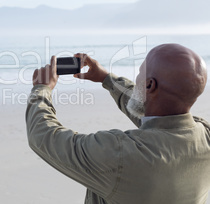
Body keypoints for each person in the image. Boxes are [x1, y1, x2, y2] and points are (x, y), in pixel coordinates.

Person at [25, 43, 210, 204]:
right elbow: (157, 114)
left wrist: (42, 89)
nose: (137, 77)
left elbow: (43, 136)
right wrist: (106, 78)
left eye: (140, 72)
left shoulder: (119, 153)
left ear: (149, 85)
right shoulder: (205, 136)